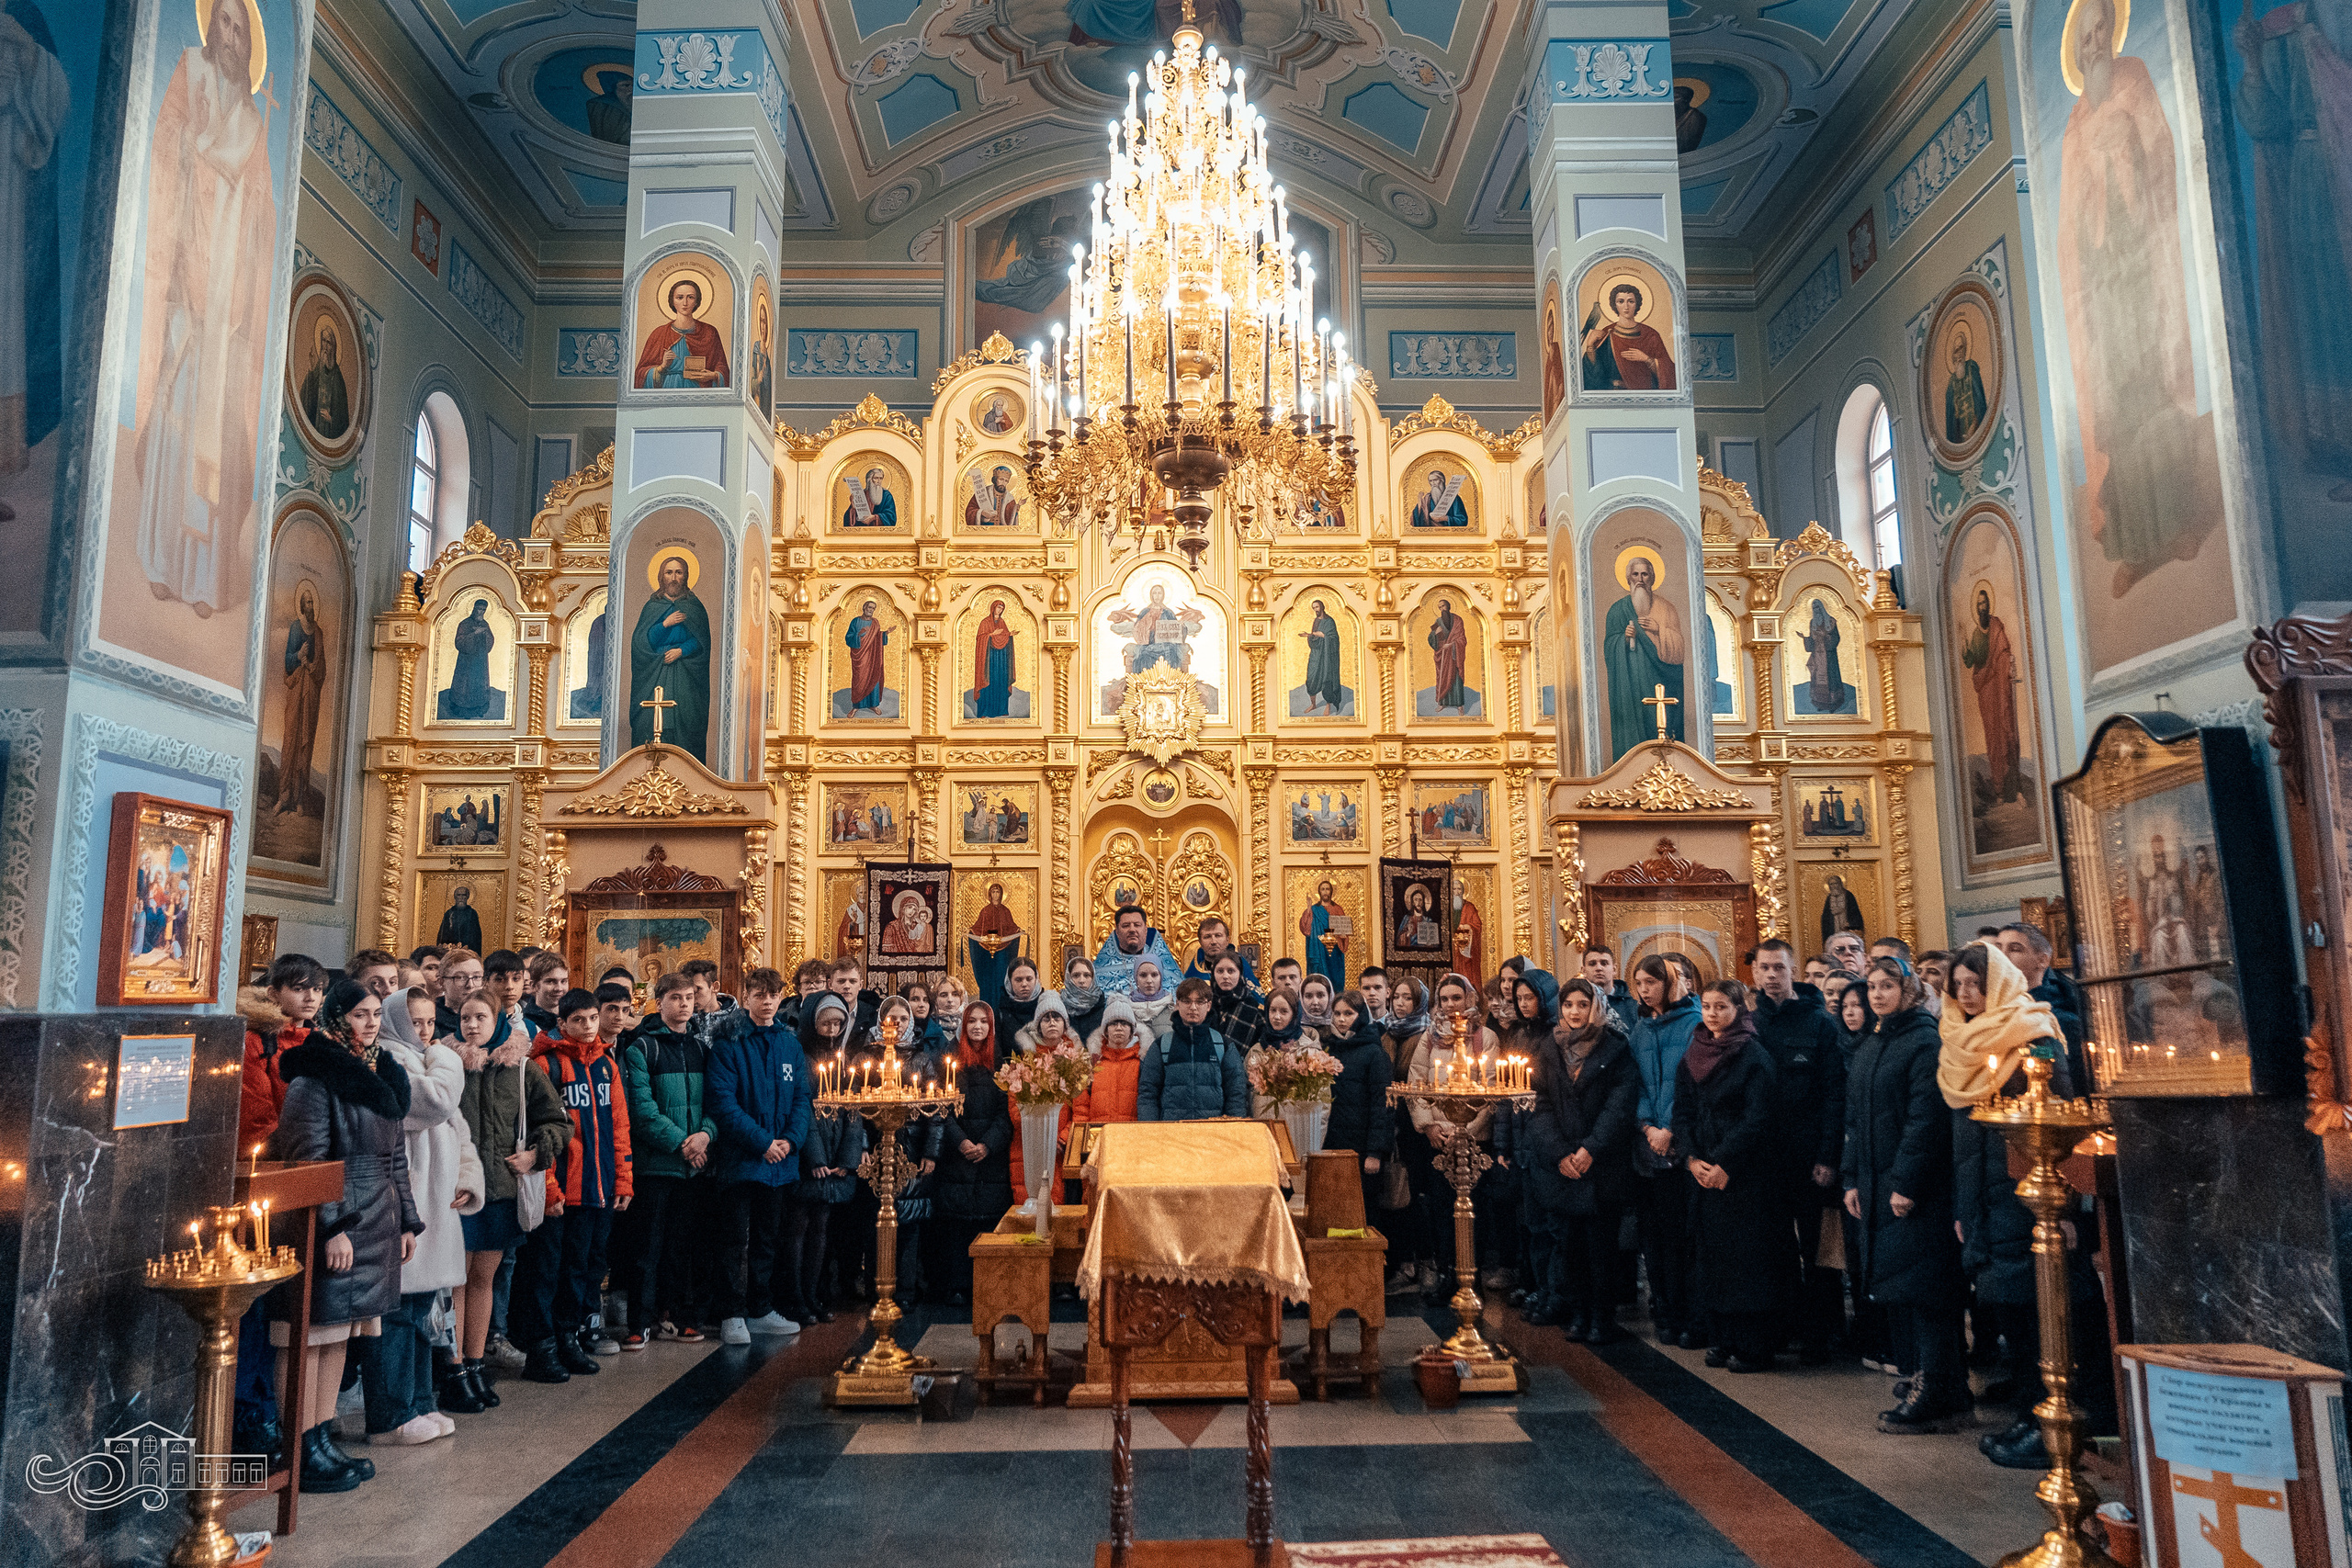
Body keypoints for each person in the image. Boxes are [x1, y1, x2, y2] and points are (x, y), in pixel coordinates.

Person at [1939, 942, 2111, 1465]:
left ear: (2001, 982)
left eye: (1976, 983)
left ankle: (2060, 1425)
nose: (1967, 994)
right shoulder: (1957, 1044)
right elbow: (1964, 1139)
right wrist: (1965, 1208)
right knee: (2012, 1312)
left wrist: (2073, 1208)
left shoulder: (2035, 1033)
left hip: (2035, 1197)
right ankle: (2028, 1414)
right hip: (1986, 1200)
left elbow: (2065, 1121)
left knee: (2049, 1315)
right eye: (1959, 985)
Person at [265, 981, 423, 1493]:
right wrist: (330, 1227)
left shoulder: (384, 1073)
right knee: (310, 1334)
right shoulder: (317, 1076)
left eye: (377, 1013)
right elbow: (309, 1159)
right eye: (359, 1014)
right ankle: (298, 1445)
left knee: (345, 1333)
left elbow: (396, 1157)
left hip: (378, 1216)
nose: (371, 1022)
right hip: (335, 1219)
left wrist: (407, 1220)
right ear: (337, 1017)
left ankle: (322, 1435)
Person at [1844, 957, 1970, 1433]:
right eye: (1871, 987)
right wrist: (1852, 1178)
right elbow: (1855, 1118)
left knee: (1928, 1293)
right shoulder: (1874, 1042)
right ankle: (1932, 1378)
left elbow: (1926, 1120)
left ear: (1908, 989)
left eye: (1887, 986)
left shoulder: (1922, 1040)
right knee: (1905, 1291)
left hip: (1915, 1192)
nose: (1877, 994)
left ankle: (1939, 1386)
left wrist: (1906, 1184)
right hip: (1877, 1185)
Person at [364, 987, 480, 1436]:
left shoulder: (422, 1056)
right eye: (415, 1022)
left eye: (432, 1022)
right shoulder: (389, 1059)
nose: (426, 1031)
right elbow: (434, 1103)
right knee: (396, 1313)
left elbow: (459, 1128)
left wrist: (468, 1179)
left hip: (436, 1201)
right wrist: (449, 1058)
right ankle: (391, 1414)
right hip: (406, 1197)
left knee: (421, 1312)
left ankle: (418, 1401)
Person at [514, 989, 632, 1379]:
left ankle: (570, 1338)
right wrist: (548, 1188)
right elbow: (536, 1132)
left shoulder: (606, 1066)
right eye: (577, 1020)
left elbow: (618, 1126)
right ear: (561, 1023)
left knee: (581, 1269)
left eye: (592, 1019)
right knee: (546, 1270)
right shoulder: (545, 1065)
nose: (586, 1027)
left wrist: (623, 1179)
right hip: (561, 1188)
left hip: (596, 1186)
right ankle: (541, 1347)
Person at [1673, 978, 1785, 1371]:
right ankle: (1721, 1336)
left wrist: (1724, 1163)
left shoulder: (1753, 1054)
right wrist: (1690, 1159)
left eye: (1721, 1007)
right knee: (1712, 1258)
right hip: (1703, 1171)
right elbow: (1683, 1111)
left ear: (1738, 1010)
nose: (1713, 1014)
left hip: (1743, 1175)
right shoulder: (1694, 1051)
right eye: (1707, 1006)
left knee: (1747, 1261)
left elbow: (1759, 1118)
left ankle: (1753, 1344)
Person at [1522, 977, 1638, 1339]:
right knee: (1569, 1245)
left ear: (1596, 1007)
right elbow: (1536, 1103)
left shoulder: (1615, 1047)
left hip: (1601, 1163)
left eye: (1582, 1005)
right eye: (1569, 1004)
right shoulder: (1548, 1047)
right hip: (1563, 1164)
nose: (1575, 1012)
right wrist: (1560, 1153)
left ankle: (1602, 1317)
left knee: (1601, 1245)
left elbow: (1619, 1106)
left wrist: (1590, 1149)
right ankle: (1579, 1312)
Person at [1749, 939, 1848, 1362]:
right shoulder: (1749, 1024)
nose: (1772, 976)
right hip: (1764, 1158)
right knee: (1774, 1248)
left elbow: (1833, 1096)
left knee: (1818, 1248)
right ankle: (1785, 1325)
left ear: (1793, 972)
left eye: (1780, 968)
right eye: (1765, 968)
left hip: (1809, 1156)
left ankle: (1824, 1333)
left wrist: (1827, 1156)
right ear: (1754, 973)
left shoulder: (1820, 1024)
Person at [706, 970, 815, 1345]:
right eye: (759, 994)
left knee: (769, 1238)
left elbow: (802, 1097)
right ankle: (732, 1313)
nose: (767, 1002)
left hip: (780, 1161)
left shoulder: (789, 1043)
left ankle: (760, 1308)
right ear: (747, 996)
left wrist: (789, 1141)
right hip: (742, 1158)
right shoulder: (729, 1043)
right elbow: (723, 1103)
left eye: (773, 995)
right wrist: (762, 1143)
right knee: (735, 1239)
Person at [1398, 973, 1502, 1303]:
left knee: (1475, 1211)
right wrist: (1429, 1126)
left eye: (1456, 998)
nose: (1450, 1005)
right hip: (1437, 1139)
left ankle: (1472, 1277)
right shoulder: (1429, 1038)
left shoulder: (1484, 1038)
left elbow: (1491, 1090)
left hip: (1473, 1138)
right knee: (1442, 1210)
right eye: (1444, 999)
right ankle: (1447, 1274)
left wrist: (1464, 1131)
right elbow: (1416, 1084)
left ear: (1470, 999)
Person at [1629, 954, 1702, 1346]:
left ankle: (1689, 1314)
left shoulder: (1694, 1023)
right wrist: (1646, 1125)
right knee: (1653, 1239)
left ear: (1669, 983)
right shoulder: (1640, 1028)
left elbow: (1689, 1084)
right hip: (1647, 1148)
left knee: (1681, 1238)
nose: (1644, 989)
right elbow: (1636, 1083)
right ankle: (1666, 1313)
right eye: (1638, 982)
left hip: (1678, 1147)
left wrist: (1669, 1129)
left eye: (1651, 981)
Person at [784, 992, 865, 1326]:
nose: (832, 1029)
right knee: (798, 1228)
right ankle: (795, 1297)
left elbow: (853, 1108)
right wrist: (815, 1157)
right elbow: (803, 1108)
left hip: (835, 1157)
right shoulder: (800, 1055)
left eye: (838, 1022)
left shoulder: (842, 1057)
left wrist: (846, 1159)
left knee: (822, 1230)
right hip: (808, 1156)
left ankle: (816, 1294)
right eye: (826, 1022)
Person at [933, 1002, 1013, 1304]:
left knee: (987, 1223)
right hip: (958, 1155)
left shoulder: (1002, 1064)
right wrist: (961, 1142)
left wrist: (987, 1144)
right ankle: (957, 1285)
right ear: (963, 1025)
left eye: (984, 1022)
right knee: (957, 1225)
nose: (978, 1027)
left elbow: (1007, 1115)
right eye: (972, 1021)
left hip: (991, 1157)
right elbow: (942, 1108)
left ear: (992, 1027)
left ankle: (988, 1286)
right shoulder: (948, 1061)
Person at [1321, 988, 1396, 1216]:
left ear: (1361, 1015)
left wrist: (1375, 1151)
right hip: (1333, 1140)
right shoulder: (1327, 1048)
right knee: (1334, 1207)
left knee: (1363, 1209)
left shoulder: (1374, 1053)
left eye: (1349, 1013)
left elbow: (1382, 1105)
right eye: (1337, 1013)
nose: (1341, 1019)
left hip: (1362, 1146)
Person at [241, 953, 326, 1147]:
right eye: (298, 989)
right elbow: (256, 1119)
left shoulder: (323, 1039)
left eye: (317, 989)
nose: (310, 998)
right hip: (279, 1154)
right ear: (273, 993)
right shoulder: (256, 1041)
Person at [1138, 978, 1251, 1121]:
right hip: (1171, 1133)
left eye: (1199, 1002)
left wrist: (1233, 1129)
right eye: (1187, 1001)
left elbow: (1236, 1094)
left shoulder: (1223, 1046)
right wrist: (1150, 1131)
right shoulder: (1161, 1046)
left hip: (1213, 1133)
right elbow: (1148, 1094)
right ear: (1177, 1004)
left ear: (1209, 1005)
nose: (1193, 1007)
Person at [1076, 997, 1147, 1123]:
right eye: (1113, 1023)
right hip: (1098, 1133)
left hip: (1132, 1134)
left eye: (1124, 1023)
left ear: (1132, 1031)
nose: (1118, 1028)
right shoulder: (1092, 1062)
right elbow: (1081, 1105)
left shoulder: (1142, 1062)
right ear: (1106, 1030)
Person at [1093, 904, 1182, 998]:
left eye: (1137, 925)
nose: (1132, 929)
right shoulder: (1101, 971)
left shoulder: (1163, 965)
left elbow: (1181, 998)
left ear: (1145, 930)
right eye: (1126, 926)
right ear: (1117, 932)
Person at [1206, 953, 1265, 1051]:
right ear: (1213, 973)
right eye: (1220, 971)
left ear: (1240, 974)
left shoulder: (1254, 1009)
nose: (1225, 976)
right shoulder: (1205, 1004)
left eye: (1231, 971)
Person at [1184, 916, 1259, 987]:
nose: (1213, 941)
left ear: (1227, 940)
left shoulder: (1240, 964)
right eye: (1207, 937)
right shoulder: (1194, 971)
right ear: (1200, 942)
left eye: (1218, 936)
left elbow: (1256, 997)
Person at [994, 958, 1043, 1061]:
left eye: (1029, 979)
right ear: (1010, 982)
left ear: (1036, 979)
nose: (1024, 984)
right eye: (1018, 980)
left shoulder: (1047, 1008)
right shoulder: (1001, 1013)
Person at [1581, 944, 1638, 1032]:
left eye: (1604, 963)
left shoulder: (1633, 1007)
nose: (1599, 968)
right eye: (1592, 964)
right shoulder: (1577, 1005)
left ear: (1614, 969)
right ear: (1584, 971)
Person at [1058, 956, 1108, 1045]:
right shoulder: (1059, 1006)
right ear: (1069, 978)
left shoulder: (1104, 1007)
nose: (1082, 980)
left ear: (1093, 978)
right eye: (1076, 975)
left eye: (1087, 975)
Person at [1127, 960, 1175, 1045]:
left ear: (1161, 977)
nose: (1149, 980)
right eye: (1143, 975)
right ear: (1136, 978)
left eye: (1154, 975)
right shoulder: (1125, 1012)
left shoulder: (1174, 1011)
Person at [522, 951, 569, 1038]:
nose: (559, 988)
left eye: (563, 981)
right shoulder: (524, 1024)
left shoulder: (573, 1017)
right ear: (534, 985)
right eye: (550, 982)